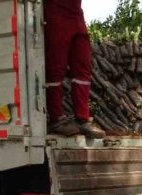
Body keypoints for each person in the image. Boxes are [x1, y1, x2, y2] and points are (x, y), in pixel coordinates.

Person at [44, 0, 105, 138]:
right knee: (55, 68)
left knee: (83, 67)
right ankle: (56, 119)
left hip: (76, 13)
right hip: (56, 12)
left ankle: (82, 119)